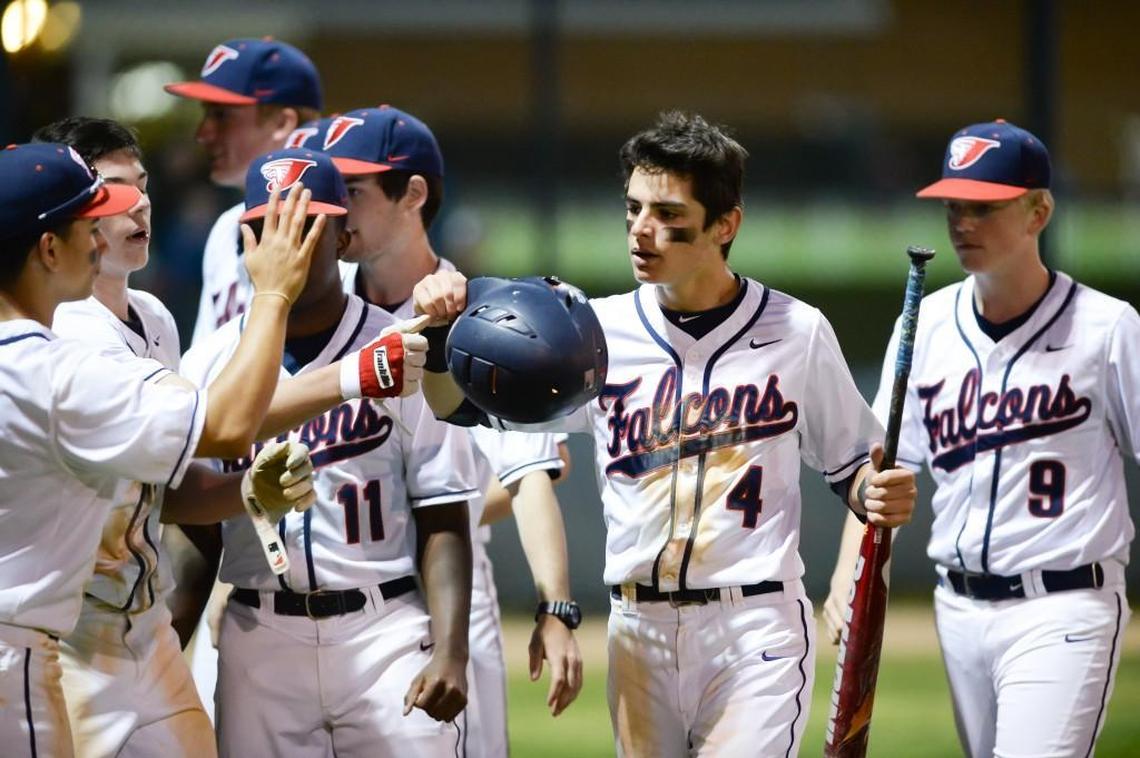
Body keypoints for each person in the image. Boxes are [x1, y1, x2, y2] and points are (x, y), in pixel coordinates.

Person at [413, 110, 918, 756]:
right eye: (633, 209)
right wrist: (435, 342)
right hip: (636, 631)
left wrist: (880, 499)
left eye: (668, 215)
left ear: (725, 224)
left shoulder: (796, 331)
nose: (641, 231)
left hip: (753, 625)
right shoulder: (592, 332)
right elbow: (454, 406)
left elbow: (857, 470)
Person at [825, 119, 1137, 757]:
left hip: (1066, 605)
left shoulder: (1107, 328)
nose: (963, 221)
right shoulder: (927, 324)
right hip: (959, 609)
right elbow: (880, 475)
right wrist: (846, 577)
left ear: (1038, 210)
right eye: (954, 205)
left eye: (985, 206)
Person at [0, 141, 323, 756]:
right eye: (85, 224)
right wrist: (275, 294)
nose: (100, 238)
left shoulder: (42, 356)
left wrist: (240, 491)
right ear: (47, 249)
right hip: (22, 652)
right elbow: (227, 425)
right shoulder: (55, 372)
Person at [180, 148, 479, 756]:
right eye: (267, 226)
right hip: (258, 632)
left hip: (387, 629)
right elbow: (193, 532)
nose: (285, 240)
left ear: (345, 237)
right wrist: (163, 652)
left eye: (306, 222)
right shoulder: (208, 363)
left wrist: (451, 651)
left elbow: (442, 509)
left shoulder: (401, 347)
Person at [322, 105, 582, 752]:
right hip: (326, 605)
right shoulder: (314, 315)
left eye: (351, 190)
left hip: (451, 602)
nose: (335, 207)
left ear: (413, 194)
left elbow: (530, 477)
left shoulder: (489, 315)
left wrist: (555, 605)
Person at [164, 37, 323, 345]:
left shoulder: (333, 232)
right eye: (206, 114)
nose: (203, 133)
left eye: (221, 115)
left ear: (282, 122)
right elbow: (202, 369)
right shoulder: (225, 229)